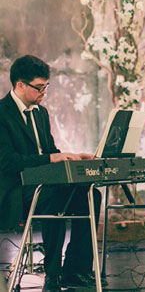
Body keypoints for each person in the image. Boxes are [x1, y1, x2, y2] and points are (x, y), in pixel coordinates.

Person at [0, 55, 102, 292]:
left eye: (46, 86)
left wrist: (73, 156)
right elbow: (8, 162)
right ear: (20, 85)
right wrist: (50, 158)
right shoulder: (2, 114)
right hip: (14, 190)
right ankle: (52, 274)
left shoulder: (40, 113)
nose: (44, 92)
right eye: (39, 87)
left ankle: (76, 270)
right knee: (53, 197)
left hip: (42, 185)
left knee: (89, 196)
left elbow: (50, 152)